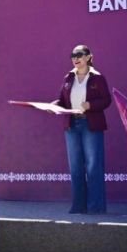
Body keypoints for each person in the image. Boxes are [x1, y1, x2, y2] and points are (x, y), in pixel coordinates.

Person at [53, 44, 112, 214]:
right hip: (72, 125)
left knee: (93, 165)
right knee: (75, 166)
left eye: (79, 55)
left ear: (88, 57)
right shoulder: (68, 78)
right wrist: (52, 106)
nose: (75, 58)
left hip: (90, 124)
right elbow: (61, 101)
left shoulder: (97, 77)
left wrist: (91, 105)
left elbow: (106, 100)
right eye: (73, 55)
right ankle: (78, 206)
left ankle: (96, 207)